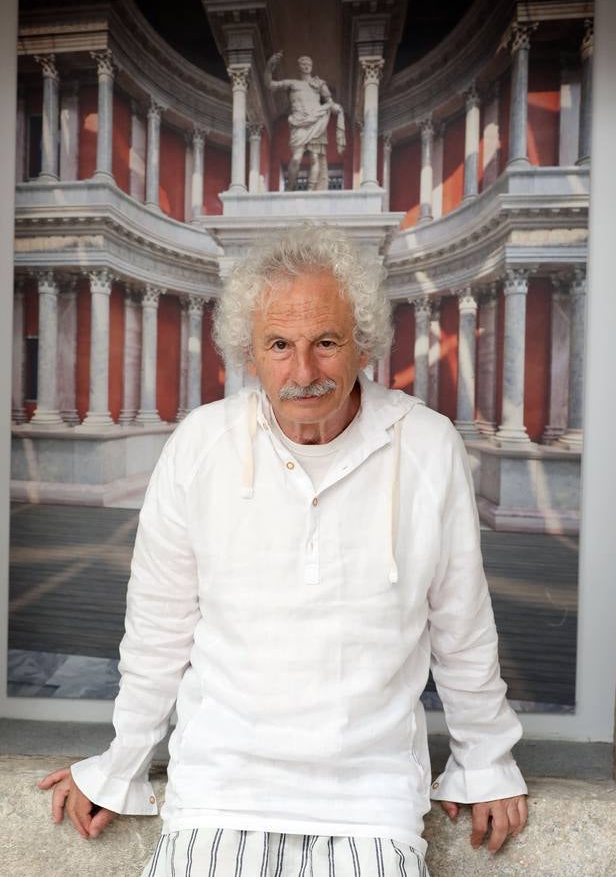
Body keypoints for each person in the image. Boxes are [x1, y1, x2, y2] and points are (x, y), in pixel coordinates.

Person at [39, 224, 528, 876]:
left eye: (325, 342)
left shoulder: (429, 444)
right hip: (217, 792)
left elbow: (460, 623)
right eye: (279, 345)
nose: (303, 372)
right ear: (250, 352)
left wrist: (485, 760)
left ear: (363, 344)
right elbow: (159, 626)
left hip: (372, 801)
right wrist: (120, 762)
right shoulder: (201, 442)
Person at [265, 52, 345, 191]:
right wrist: (269, 66)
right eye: (304, 64)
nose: (307, 66)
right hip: (299, 123)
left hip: (316, 121)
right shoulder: (292, 83)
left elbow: (329, 101)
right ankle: (290, 187)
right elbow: (270, 85)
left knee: (315, 158)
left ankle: (310, 190)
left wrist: (334, 107)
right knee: (296, 158)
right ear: (299, 66)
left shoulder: (319, 83)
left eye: (309, 64)